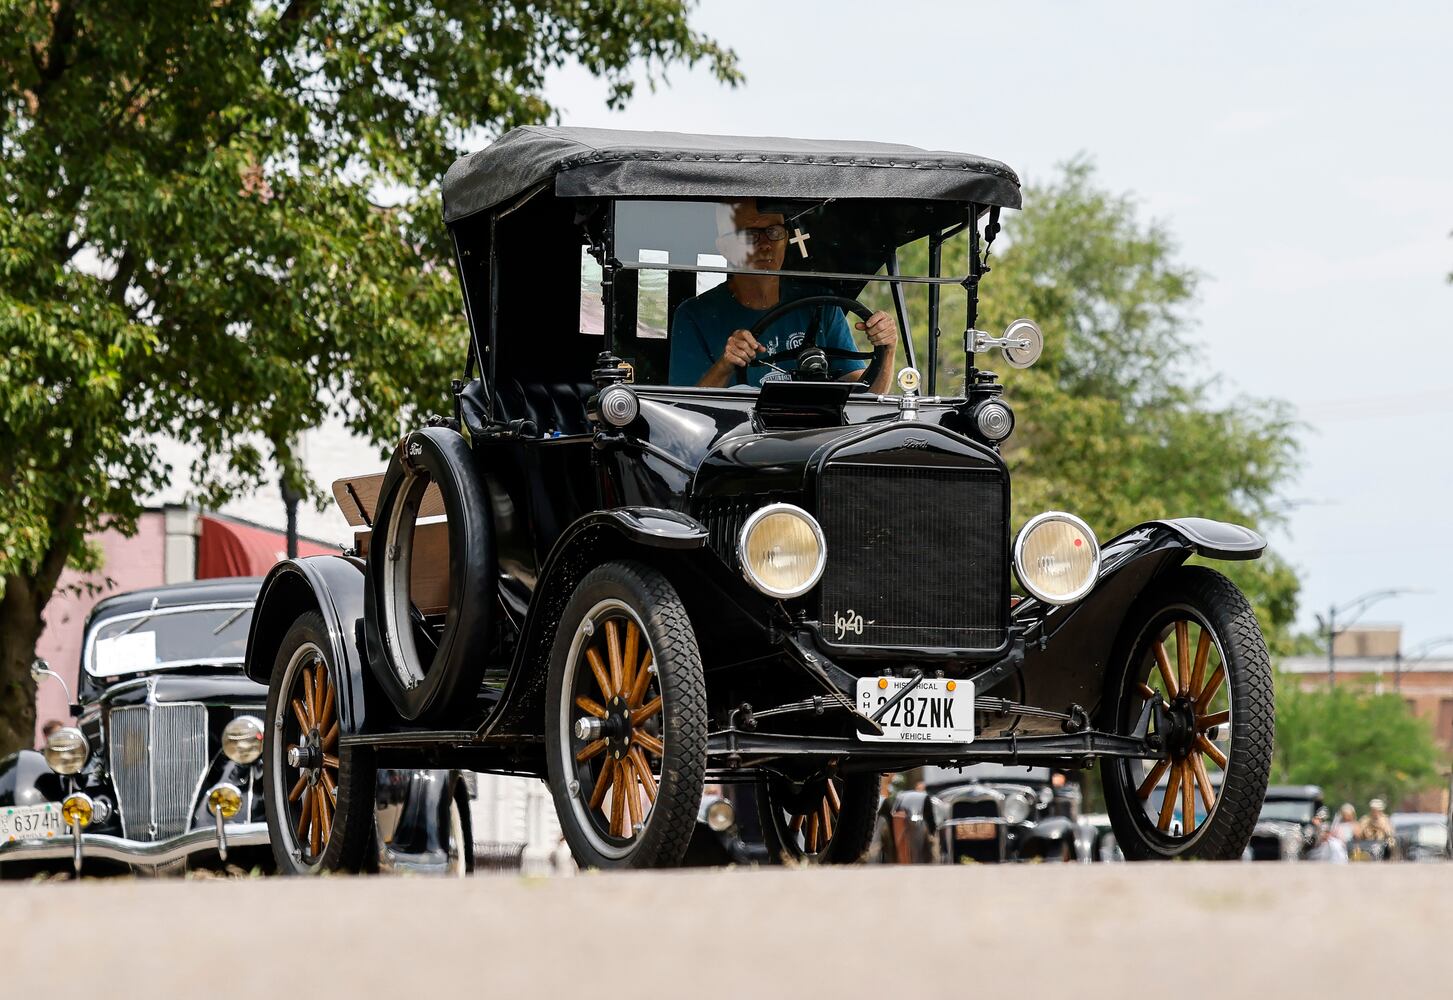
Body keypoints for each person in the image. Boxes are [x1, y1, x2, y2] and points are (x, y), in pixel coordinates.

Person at [669, 199, 898, 391]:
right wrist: (726, 363)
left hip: (816, 439)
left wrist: (886, 349)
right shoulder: (695, 315)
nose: (766, 245)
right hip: (733, 439)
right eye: (750, 235)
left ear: (785, 238)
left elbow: (864, 398)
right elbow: (686, 412)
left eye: (773, 232)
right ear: (725, 246)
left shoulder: (822, 306)